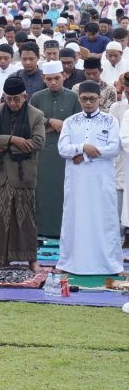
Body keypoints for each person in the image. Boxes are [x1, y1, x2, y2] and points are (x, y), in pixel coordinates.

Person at [56, 81, 123, 275]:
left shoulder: (110, 121)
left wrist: (84, 155)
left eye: (92, 99)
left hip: (101, 180)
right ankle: (69, 262)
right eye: (84, 99)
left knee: (104, 218)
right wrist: (83, 147)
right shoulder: (70, 121)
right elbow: (63, 149)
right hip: (77, 181)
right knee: (74, 218)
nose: (88, 103)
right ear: (79, 99)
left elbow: (113, 149)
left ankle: (110, 264)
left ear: (99, 99)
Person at [0, 76, 46, 271]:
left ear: (25, 96)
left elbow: (39, 142)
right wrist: (12, 140)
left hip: (23, 175)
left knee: (25, 218)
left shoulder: (35, 115)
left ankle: (31, 260)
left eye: (17, 99)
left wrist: (7, 146)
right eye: (9, 99)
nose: (13, 103)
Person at [31, 60, 81, 238]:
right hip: (43, 153)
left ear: (64, 77)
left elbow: (78, 124)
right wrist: (50, 122)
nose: (53, 82)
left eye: (57, 78)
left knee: (64, 192)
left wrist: (62, 125)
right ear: (44, 78)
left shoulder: (73, 97)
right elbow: (32, 123)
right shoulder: (37, 97)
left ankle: (64, 230)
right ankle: (43, 230)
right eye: (49, 79)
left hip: (66, 154)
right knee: (43, 193)